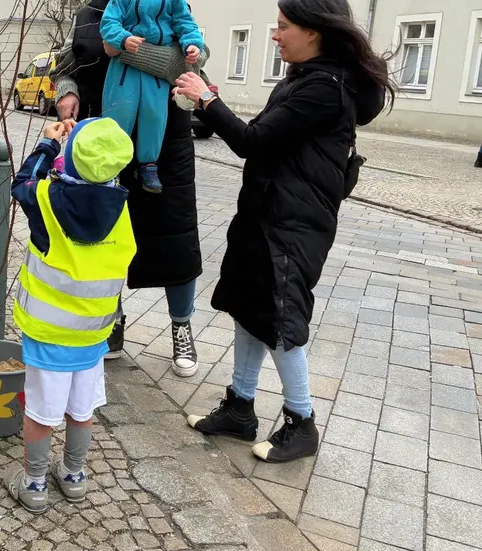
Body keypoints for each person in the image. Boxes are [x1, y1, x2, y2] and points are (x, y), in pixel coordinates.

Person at [176, 0, 394, 463]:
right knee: (247, 305)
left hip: (293, 225)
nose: (276, 35)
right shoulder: (302, 77)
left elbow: (250, 142)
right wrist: (213, 103)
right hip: (266, 214)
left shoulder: (324, 88)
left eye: (283, 27)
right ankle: (240, 407)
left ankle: (302, 422)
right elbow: (263, 134)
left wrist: (207, 100)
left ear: (314, 31)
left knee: (280, 318)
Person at [51, 0, 205, 377]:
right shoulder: (89, 12)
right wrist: (65, 90)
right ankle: (112, 319)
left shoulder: (171, 4)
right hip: (105, 144)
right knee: (106, 237)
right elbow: (67, 64)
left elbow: (185, 64)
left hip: (166, 141)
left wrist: (119, 47)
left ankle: (181, 325)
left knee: (176, 236)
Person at [2, 117, 135, 513]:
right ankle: (74, 475)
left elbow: (21, 182)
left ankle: (35, 483)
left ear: (71, 161)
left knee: (41, 412)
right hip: (94, 335)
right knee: (82, 409)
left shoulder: (47, 199)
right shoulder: (121, 207)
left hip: (49, 334)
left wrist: (48, 145)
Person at [100, 0, 202, 193]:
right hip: (125, 64)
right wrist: (122, 38)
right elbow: (109, 21)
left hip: (155, 69)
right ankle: (110, 163)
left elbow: (184, 21)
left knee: (154, 114)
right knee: (119, 111)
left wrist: (193, 43)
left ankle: (148, 163)